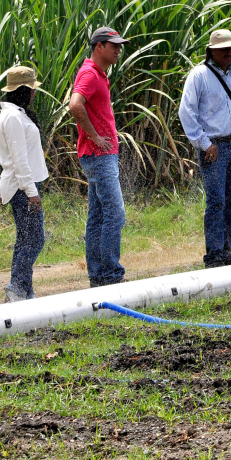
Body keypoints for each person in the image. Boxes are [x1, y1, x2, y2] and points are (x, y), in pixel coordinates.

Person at [178, 29, 231, 268]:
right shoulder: (199, 76)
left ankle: (226, 250)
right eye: (224, 48)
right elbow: (187, 112)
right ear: (211, 51)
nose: (229, 52)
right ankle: (214, 255)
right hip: (214, 148)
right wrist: (204, 143)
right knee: (216, 201)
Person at [68, 27, 129, 287]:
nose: (118, 50)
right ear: (99, 47)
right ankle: (110, 274)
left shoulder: (98, 74)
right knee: (115, 214)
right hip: (99, 155)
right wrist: (94, 136)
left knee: (98, 216)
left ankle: (98, 275)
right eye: (113, 45)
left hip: (99, 155)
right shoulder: (90, 74)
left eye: (119, 45)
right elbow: (75, 104)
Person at [0, 65, 50, 302]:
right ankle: (17, 287)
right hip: (21, 187)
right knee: (35, 238)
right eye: (32, 89)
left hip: (21, 185)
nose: (35, 94)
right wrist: (31, 192)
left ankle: (24, 291)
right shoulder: (14, 117)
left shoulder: (14, 114)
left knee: (26, 238)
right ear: (24, 91)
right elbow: (19, 160)